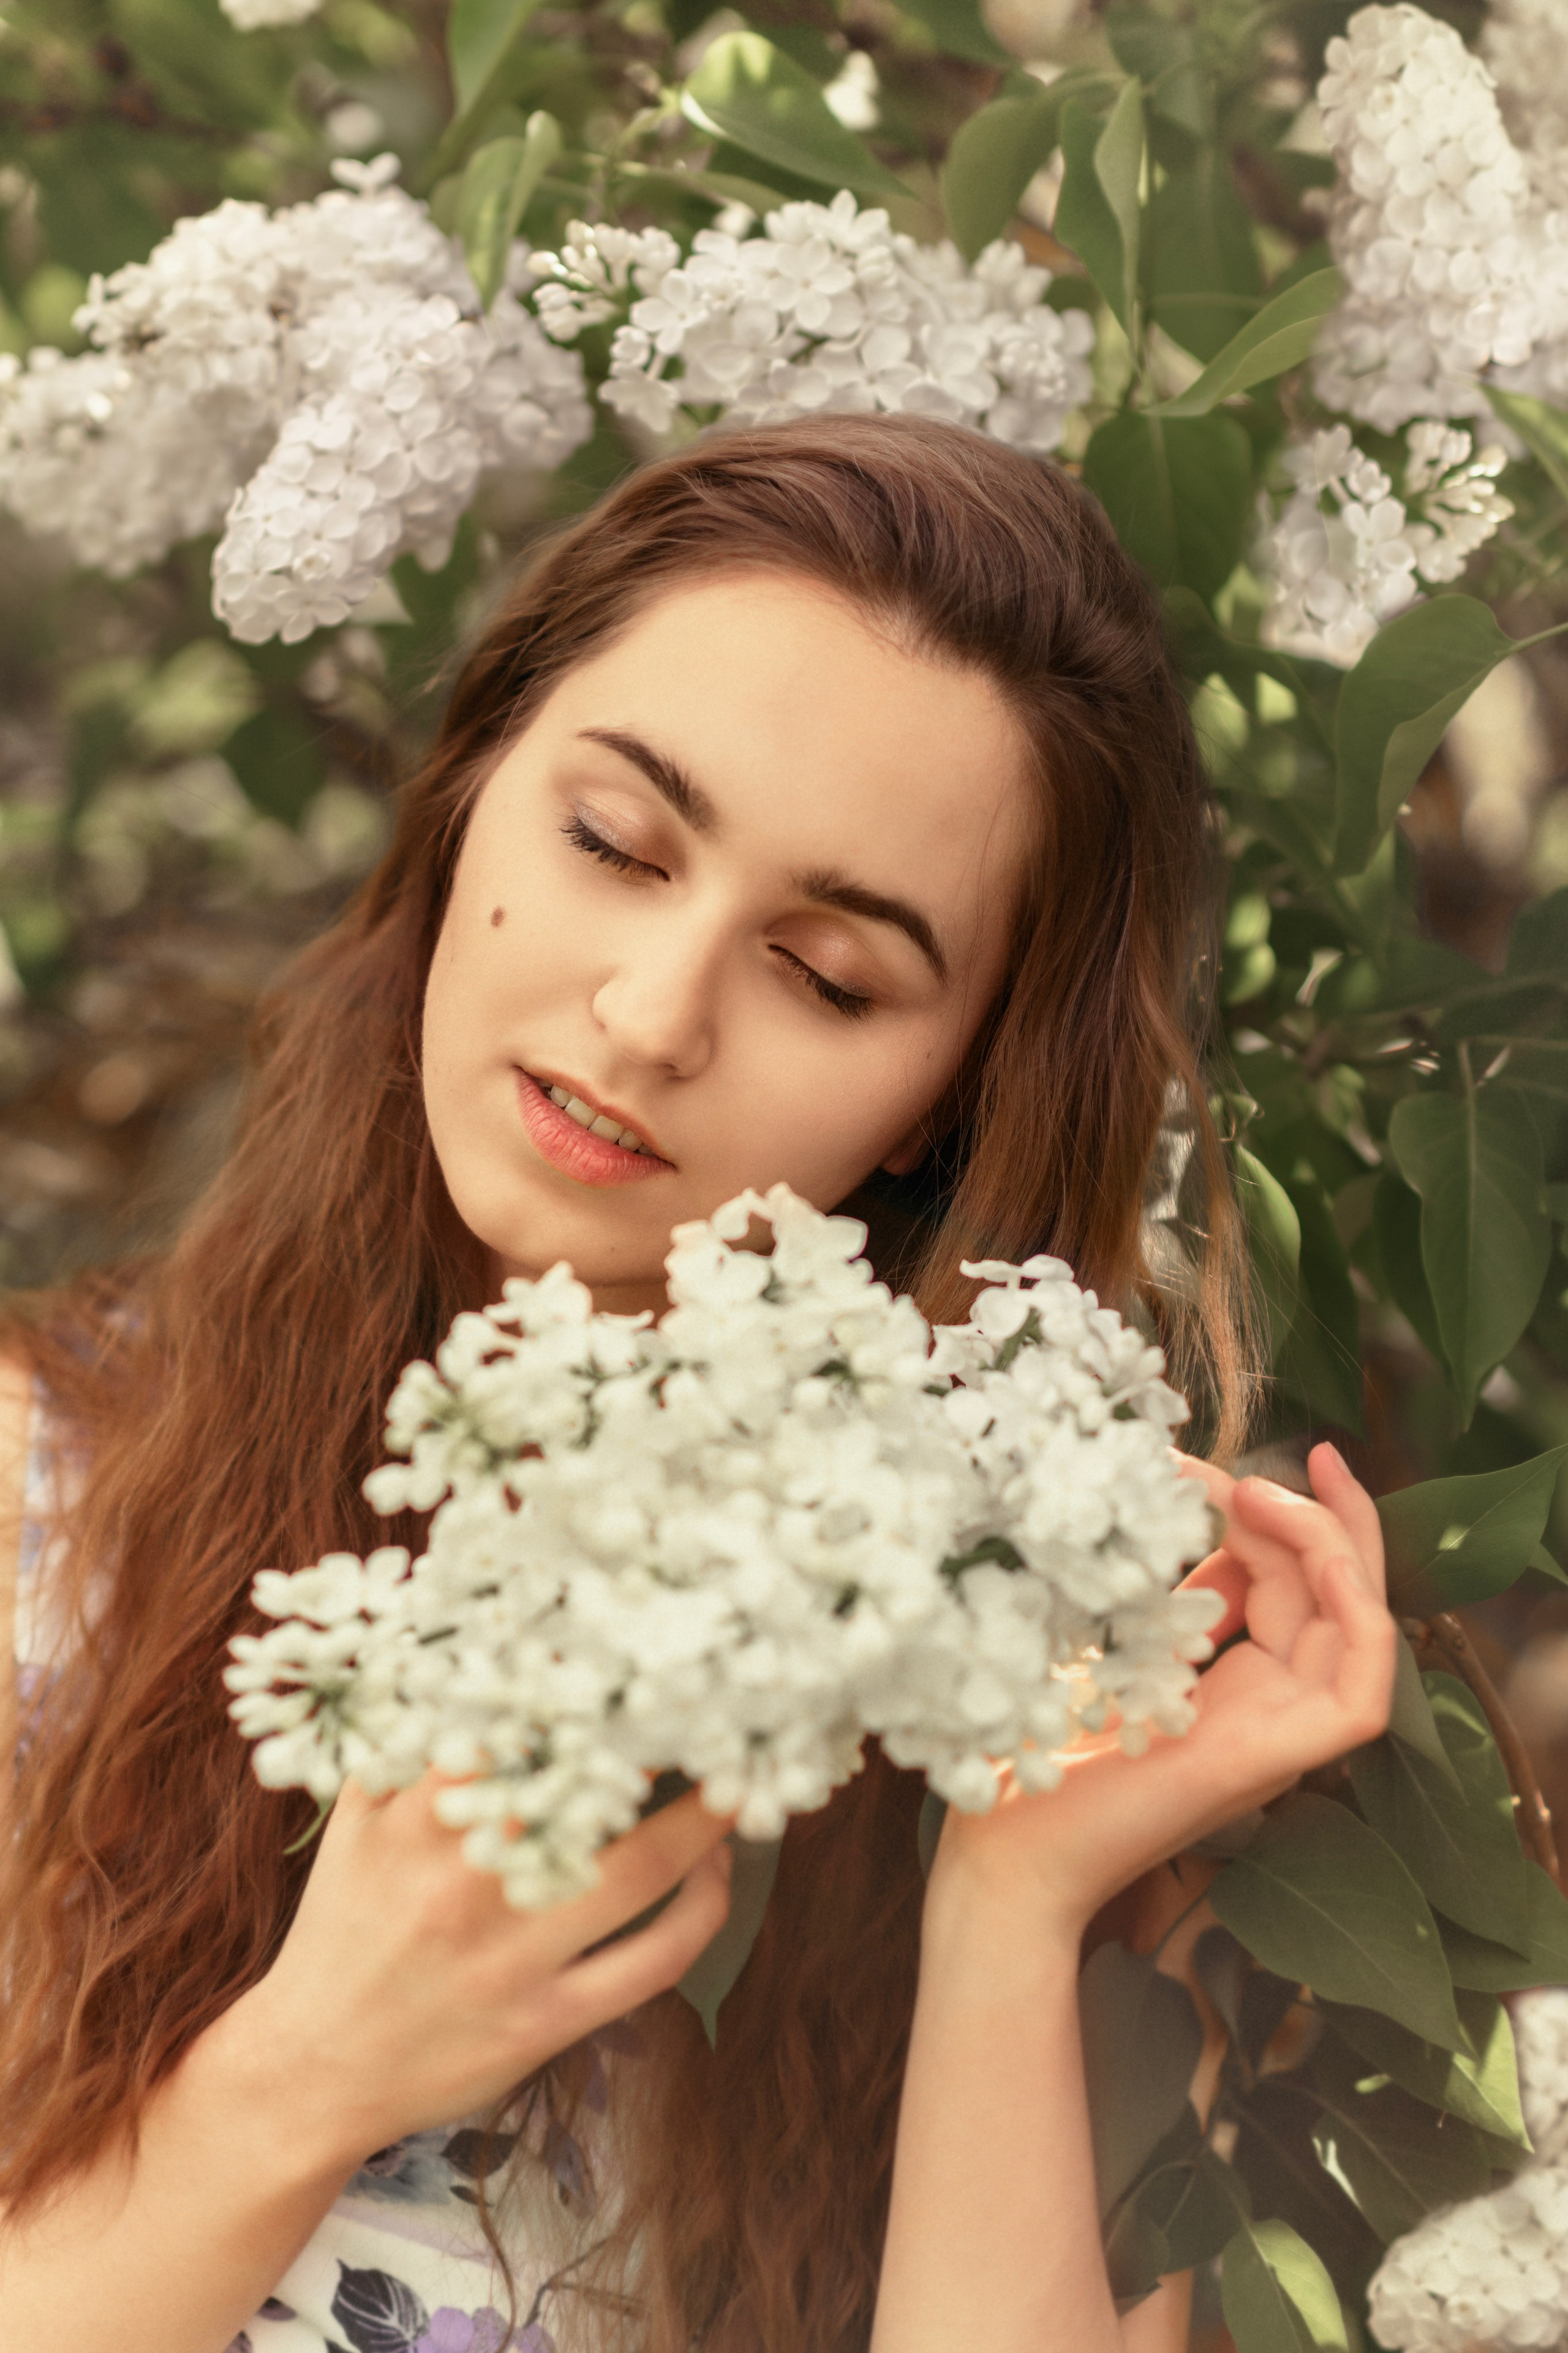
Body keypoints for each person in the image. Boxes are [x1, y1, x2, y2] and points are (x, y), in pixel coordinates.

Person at [0, 413, 1395, 2353]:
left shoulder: (1012, 1695)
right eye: (613, 844)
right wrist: (303, 2074)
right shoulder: (41, 1510)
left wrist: (1013, 1901)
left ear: (949, 1105)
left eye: (826, 974)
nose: (653, 1015)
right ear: (476, 785)